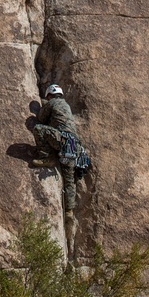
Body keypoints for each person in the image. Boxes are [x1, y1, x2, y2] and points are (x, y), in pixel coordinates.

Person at [32, 85, 91, 221]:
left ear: (49, 95)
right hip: (73, 145)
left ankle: (47, 157)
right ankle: (69, 210)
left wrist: (44, 104)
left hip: (63, 140)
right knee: (69, 178)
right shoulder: (66, 105)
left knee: (39, 129)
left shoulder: (52, 102)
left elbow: (41, 118)